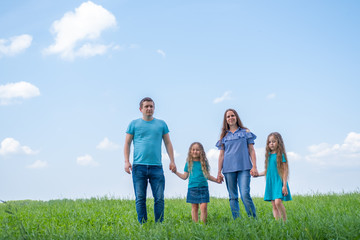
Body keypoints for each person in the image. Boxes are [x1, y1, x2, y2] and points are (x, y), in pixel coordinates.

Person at [124, 97, 177, 224]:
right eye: (146, 106)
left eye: (151, 106)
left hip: (156, 167)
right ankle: (143, 224)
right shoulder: (133, 124)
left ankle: (159, 223)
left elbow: (168, 143)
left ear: (154, 108)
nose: (149, 109)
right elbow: (127, 143)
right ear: (140, 109)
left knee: (159, 198)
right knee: (140, 198)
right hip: (139, 166)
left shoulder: (161, 124)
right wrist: (126, 161)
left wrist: (172, 161)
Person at [216, 109, 258, 219]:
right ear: (226, 120)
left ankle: (253, 219)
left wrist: (254, 166)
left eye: (232, 115)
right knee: (233, 197)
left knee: (244, 194)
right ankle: (237, 221)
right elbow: (221, 155)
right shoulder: (224, 136)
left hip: (244, 168)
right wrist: (218, 172)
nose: (230, 118)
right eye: (228, 117)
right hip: (228, 169)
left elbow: (251, 150)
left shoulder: (246, 132)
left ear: (236, 117)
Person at [175, 142, 221, 224]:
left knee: (204, 207)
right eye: (193, 149)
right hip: (192, 188)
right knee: (194, 207)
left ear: (201, 152)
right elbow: (184, 176)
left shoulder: (204, 163)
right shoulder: (188, 163)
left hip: (203, 188)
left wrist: (216, 180)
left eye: (197, 150)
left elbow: (208, 176)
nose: (195, 151)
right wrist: (175, 172)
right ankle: (195, 225)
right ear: (190, 151)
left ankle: (203, 225)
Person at [257, 132, 292, 221]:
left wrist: (284, 185)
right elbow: (268, 171)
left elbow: (284, 171)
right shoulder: (268, 156)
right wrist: (258, 174)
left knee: (278, 202)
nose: (271, 144)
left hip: (279, 181)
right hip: (270, 181)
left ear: (278, 142)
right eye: (269, 142)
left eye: (273, 141)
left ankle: (284, 220)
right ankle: (278, 223)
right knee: (273, 204)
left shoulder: (281, 155)